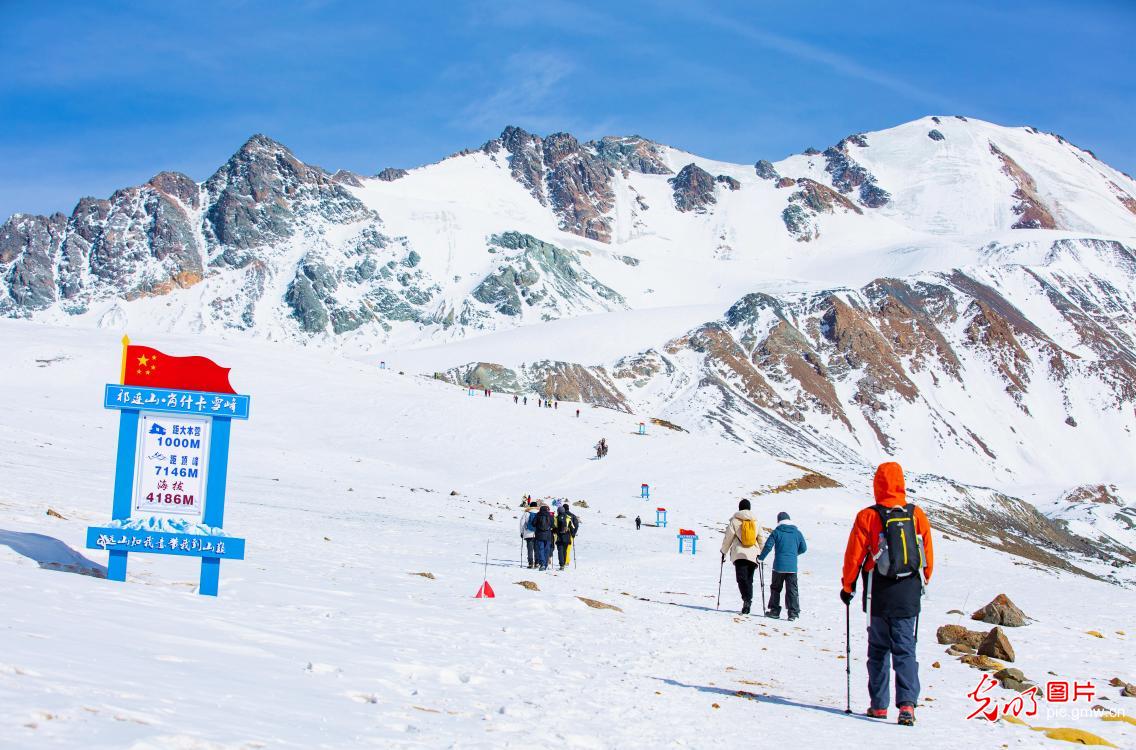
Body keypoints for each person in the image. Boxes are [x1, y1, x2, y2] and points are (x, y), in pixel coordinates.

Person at [840, 462, 934, 726]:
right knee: (906, 650)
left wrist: (848, 587)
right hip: (908, 594)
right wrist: (921, 582)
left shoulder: (868, 516)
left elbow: (854, 556)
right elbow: (927, 556)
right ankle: (907, 707)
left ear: (877, 484)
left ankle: (879, 706)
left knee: (879, 649)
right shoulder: (916, 515)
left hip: (878, 594)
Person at [759, 511, 807, 620]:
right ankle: (793, 613)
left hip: (779, 566)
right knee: (792, 590)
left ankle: (774, 611)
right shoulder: (797, 533)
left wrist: (761, 558)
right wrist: (794, 554)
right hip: (792, 567)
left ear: (779, 521)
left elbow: (768, 546)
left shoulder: (777, 532)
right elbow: (804, 548)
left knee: (776, 588)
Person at [720, 499, 764, 614]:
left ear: (739, 508)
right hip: (753, 555)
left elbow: (728, 538)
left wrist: (723, 551)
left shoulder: (735, 521)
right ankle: (748, 601)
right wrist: (762, 554)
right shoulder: (756, 521)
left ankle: (746, 600)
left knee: (741, 579)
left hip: (739, 554)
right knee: (749, 579)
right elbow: (761, 539)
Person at [555, 501, 580, 569]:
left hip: (559, 536)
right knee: (566, 549)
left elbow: (554, 526)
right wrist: (573, 533)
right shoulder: (570, 517)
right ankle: (566, 561)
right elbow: (575, 525)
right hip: (567, 536)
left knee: (560, 550)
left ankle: (562, 564)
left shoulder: (557, 517)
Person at [532, 503, 556, 571]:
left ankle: (542, 564)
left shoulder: (538, 515)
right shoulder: (550, 515)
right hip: (548, 535)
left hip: (539, 535)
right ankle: (545, 564)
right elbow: (553, 525)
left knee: (540, 549)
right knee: (547, 549)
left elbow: (533, 523)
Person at [519, 500, 539, 568]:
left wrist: (522, 532)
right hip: (537, 534)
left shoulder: (526, 513)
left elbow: (522, 523)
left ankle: (530, 563)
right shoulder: (539, 513)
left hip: (528, 534)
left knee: (530, 549)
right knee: (537, 549)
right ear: (536, 506)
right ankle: (537, 563)